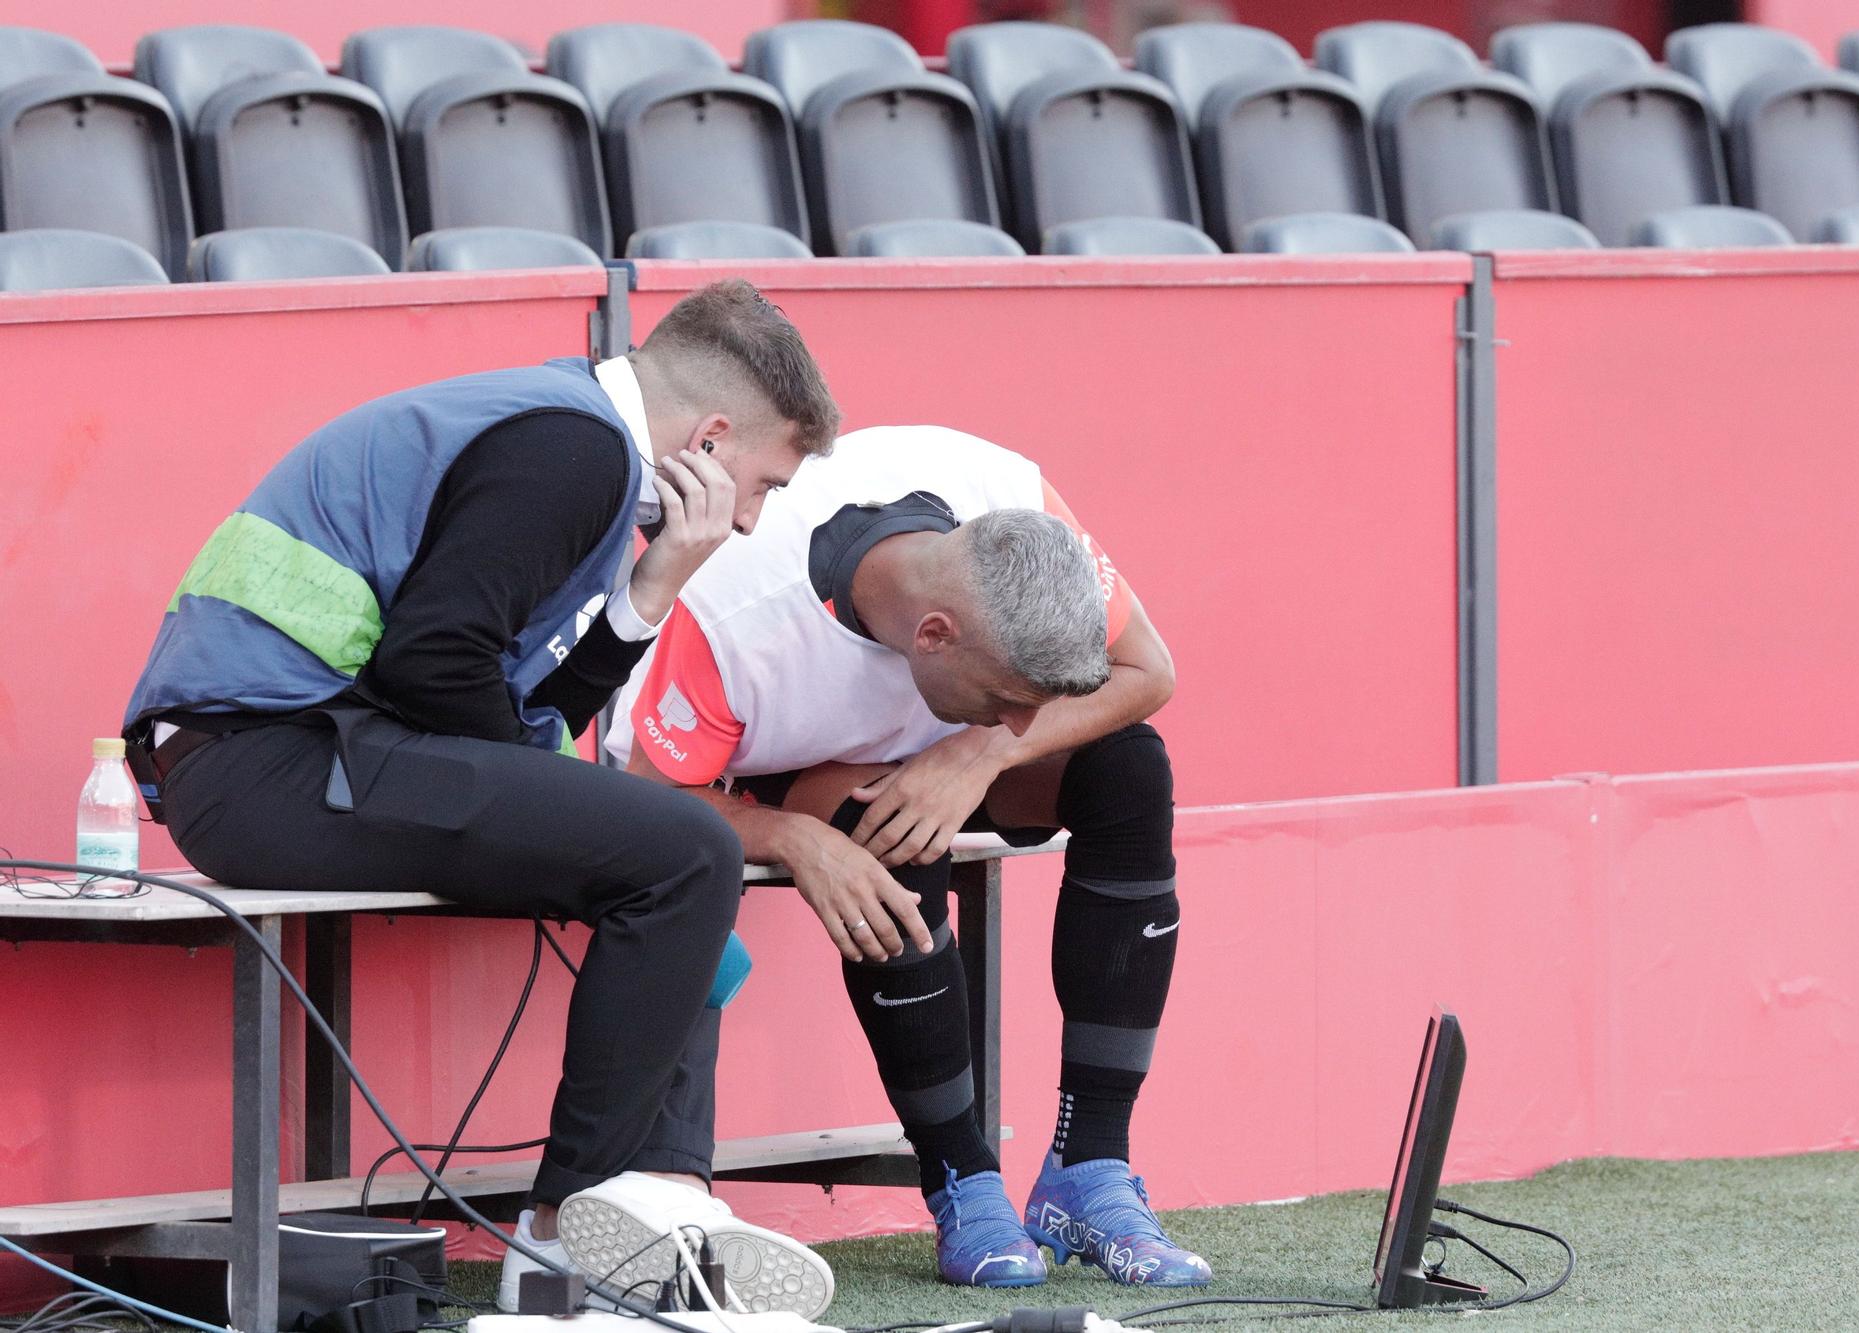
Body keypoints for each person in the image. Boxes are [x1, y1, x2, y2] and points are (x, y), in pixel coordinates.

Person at [121, 280, 844, 1315]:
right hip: (267, 766)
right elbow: (434, 668)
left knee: (677, 870)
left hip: (305, 751)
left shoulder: (563, 432)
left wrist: (654, 587)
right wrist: (563, 795)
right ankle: (563, 1247)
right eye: (763, 484)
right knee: (683, 851)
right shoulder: (571, 450)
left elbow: (518, 710)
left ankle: (663, 1209)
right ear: (713, 438)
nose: (749, 517)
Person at [609, 424, 1210, 1289]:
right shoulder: (731, 612)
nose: (1018, 723)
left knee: (1130, 767)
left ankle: (1090, 1166)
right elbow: (639, 802)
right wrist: (791, 837)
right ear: (933, 633)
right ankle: (962, 1179)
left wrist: (981, 752)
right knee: (887, 824)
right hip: (803, 770)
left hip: (937, 748)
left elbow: (1147, 671)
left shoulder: (1010, 497)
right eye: (1007, 703)